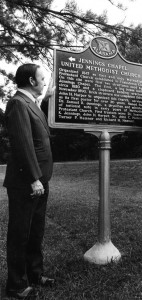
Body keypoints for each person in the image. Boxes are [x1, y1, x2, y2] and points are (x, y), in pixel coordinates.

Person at [3, 63, 55, 299]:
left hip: (41, 181)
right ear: (32, 82)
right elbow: (24, 144)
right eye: (42, 79)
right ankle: (16, 285)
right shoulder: (17, 104)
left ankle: (35, 275)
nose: (44, 82)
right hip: (27, 182)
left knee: (36, 232)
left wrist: (41, 179)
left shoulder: (31, 104)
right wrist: (35, 178)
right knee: (20, 234)